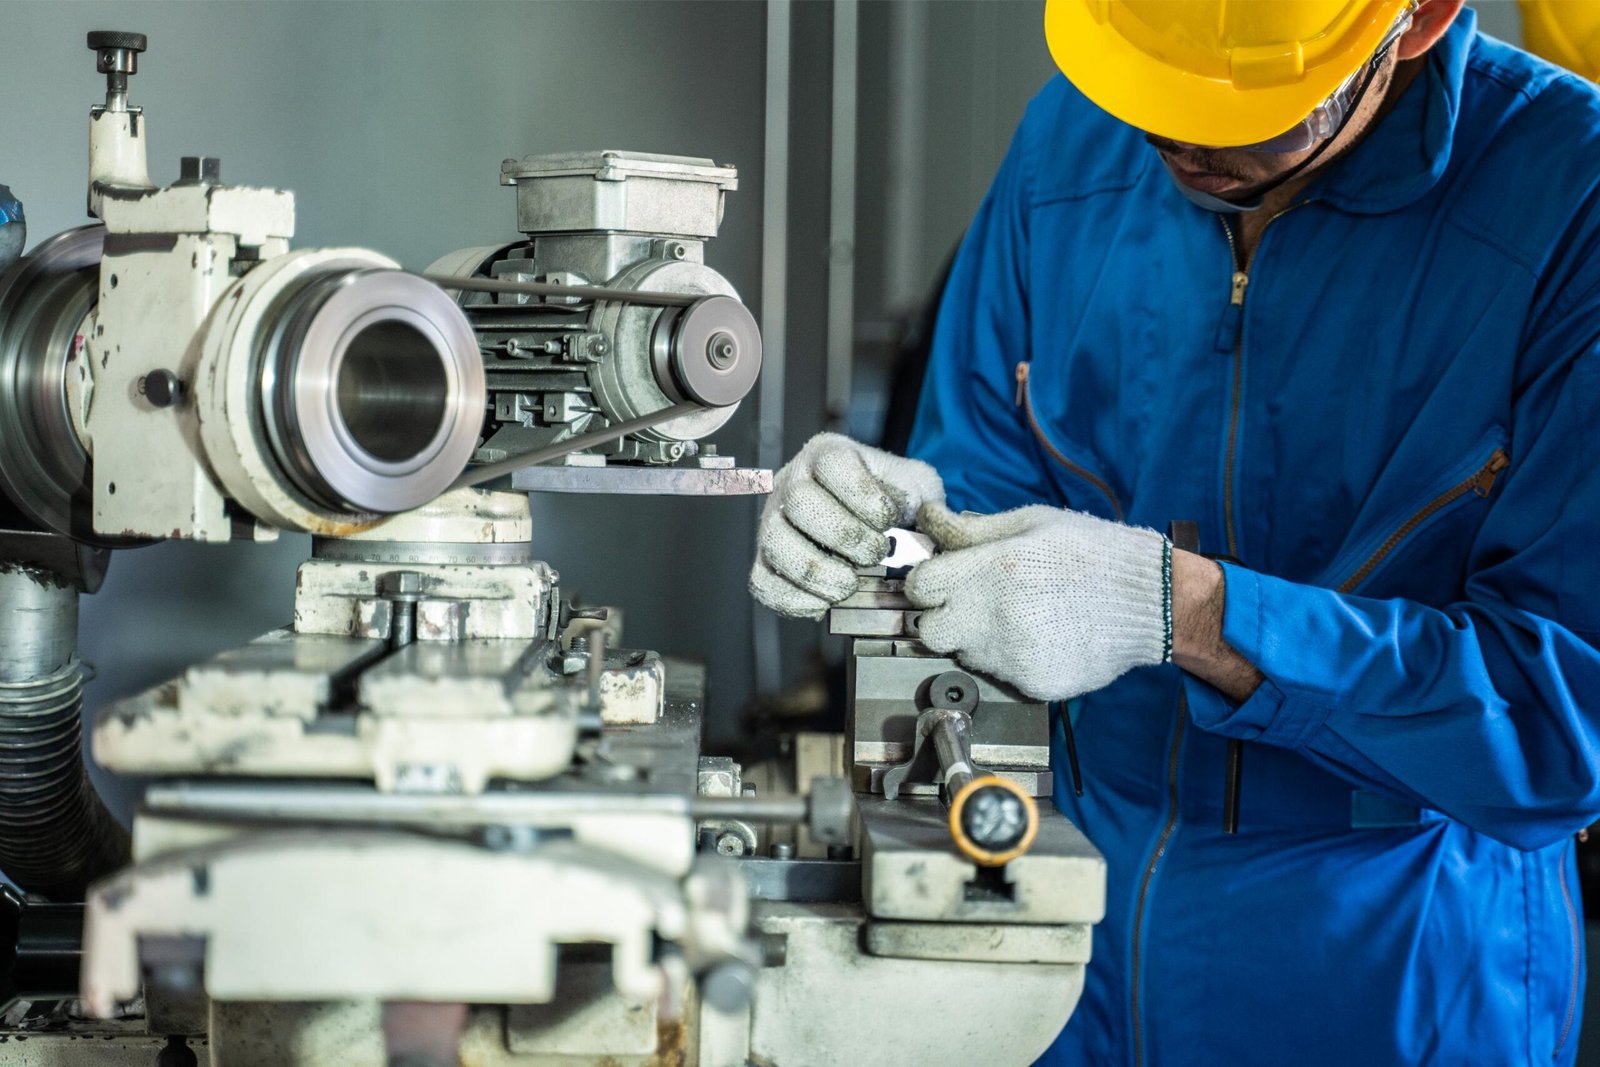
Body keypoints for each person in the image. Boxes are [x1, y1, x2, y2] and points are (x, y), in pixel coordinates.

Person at [749, 1, 1600, 1062]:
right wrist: (886, 526)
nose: (1182, 145)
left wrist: (1189, 612)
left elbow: (1561, 720)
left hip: (1387, 973)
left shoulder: (1572, 197)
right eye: (1151, 95)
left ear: (1415, 23)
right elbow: (974, 494)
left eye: (1245, 112)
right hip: (1059, 949)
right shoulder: (1069, 140)